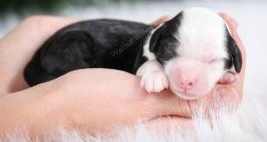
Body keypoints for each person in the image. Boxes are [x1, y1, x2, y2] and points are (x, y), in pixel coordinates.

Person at [0, 14, 246, 135]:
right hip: (70, 48)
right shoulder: (149, 53)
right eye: (174, 53)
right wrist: (48, 105)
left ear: (233, 59)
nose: (188, 77)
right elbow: (145, 64)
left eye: (213, 61)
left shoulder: (161, 38)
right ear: (157, 42)